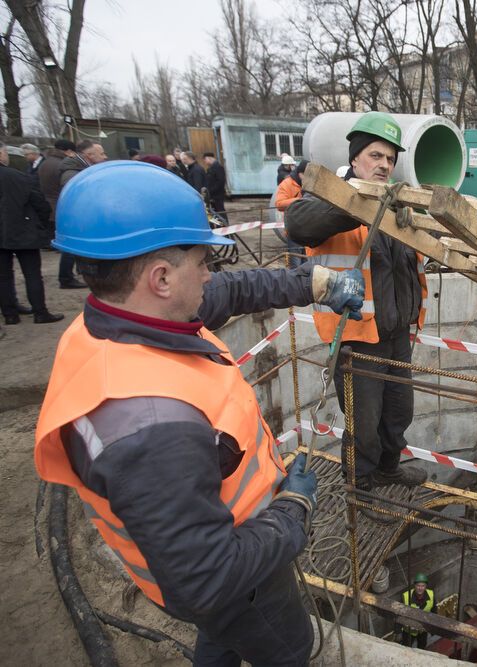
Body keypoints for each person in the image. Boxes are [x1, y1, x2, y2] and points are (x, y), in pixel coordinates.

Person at [34, 160, 366, 666]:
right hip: (242, 580)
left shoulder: (126, 320)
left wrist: (314, 282)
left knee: (223, 639)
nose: (211, 273)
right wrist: (293, 511)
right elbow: (206, 582)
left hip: (221, 549)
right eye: (202, 261)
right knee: (287, 648)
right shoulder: (148, 428)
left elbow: (232, 292)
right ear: (161, 277)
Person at [285, 111, 428, 519]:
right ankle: (361, 488)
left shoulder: (395, 197)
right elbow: (297, 223)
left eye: (389, 158)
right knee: (363, 421)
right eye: (375, 156)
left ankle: (387, 471)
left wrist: (410, 224)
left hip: (397, 332)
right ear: (356, 157)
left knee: (399, 413)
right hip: (357, 334)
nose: (384, 165)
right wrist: (356, 204)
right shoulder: (334, 195)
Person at [0, 142, 63, 325]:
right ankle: (40, 312)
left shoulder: (18, 176)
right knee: (32, 274)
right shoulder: (19, 177)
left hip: (9, 232)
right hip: (24, 230)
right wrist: (40, 225)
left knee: (3, 276)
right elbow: (40, 204)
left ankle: (10, 314)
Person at [57, 140, 107, 289]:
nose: (105, 156)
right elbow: (76, 195)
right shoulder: (72, 173)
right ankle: (66, 278)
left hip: (81, 216)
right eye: (102, 153)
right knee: (72, 248)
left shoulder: (82, 169)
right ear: (90, 155)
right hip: (78, 217)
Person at [398, 573, 436, 649]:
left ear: (426, 587)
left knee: (422, 648)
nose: (420, 588)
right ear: (414, 586)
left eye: (422, 586)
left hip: (422, 629)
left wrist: (433, 629)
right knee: (406, 649)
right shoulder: (406, 596)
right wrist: (397, 632)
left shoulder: (431, 595)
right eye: (418, 585)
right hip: (408, 631)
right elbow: (398, 614)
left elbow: (434, 611)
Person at [203, 152, 227, 221]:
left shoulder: (218, 167)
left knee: (220, 212)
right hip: (213, 195)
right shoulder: (211, 168)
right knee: (216, 212)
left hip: (217, 195)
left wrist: (211, 191)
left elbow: (221, 181)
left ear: (208, 158)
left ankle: (224, 226)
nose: (205, 162)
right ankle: (220, 226)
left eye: (205, 160)